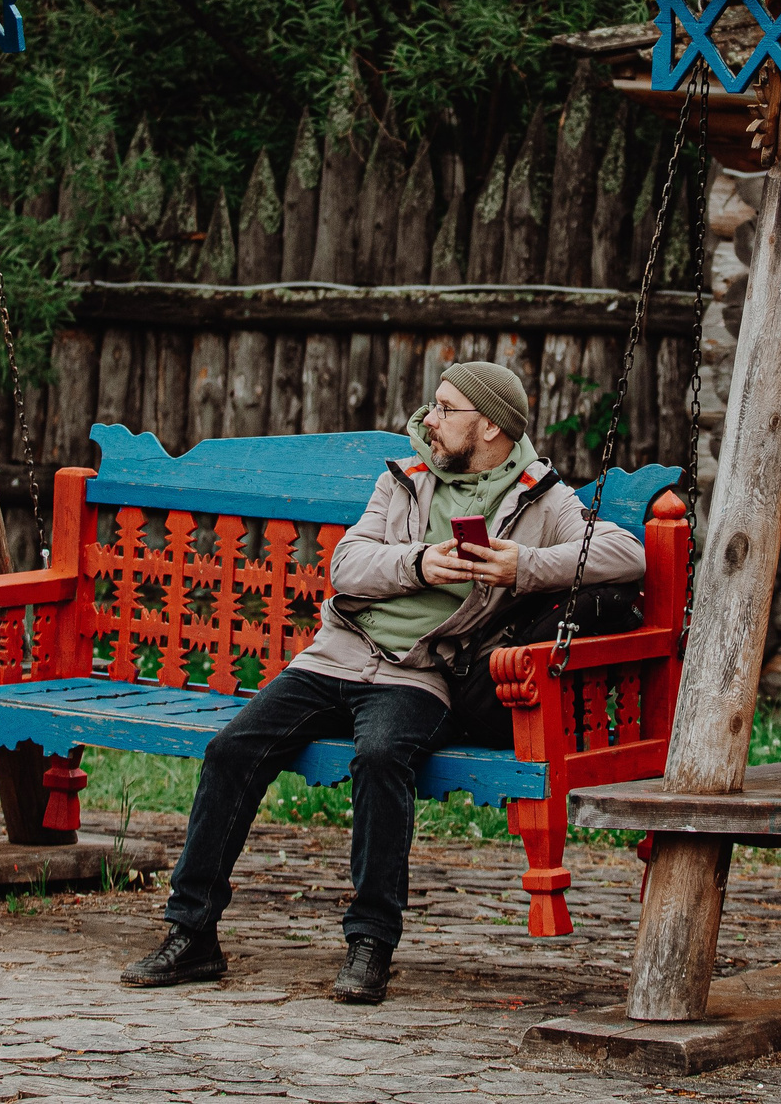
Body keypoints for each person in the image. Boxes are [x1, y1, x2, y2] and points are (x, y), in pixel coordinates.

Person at [120, 360, 644, 1004]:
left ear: (487, 425)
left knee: (380, 757)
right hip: (334, 656)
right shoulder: (406, 475)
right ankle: (192, 933)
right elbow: (347, 564)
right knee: (232, 748)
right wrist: (422, 563)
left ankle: (370, 945)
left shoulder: (541, 494)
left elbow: (627, 552)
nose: (430, 417)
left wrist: (523, 565)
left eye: (447, 408)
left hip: (418, 673)